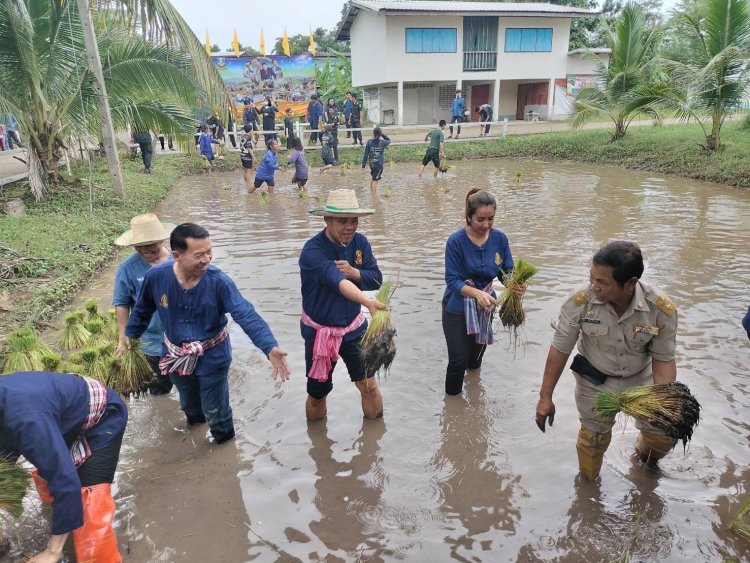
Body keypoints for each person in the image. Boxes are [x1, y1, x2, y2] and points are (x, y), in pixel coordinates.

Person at [125, 223, 291, 444]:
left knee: (216, 410)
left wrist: (269, 346)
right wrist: (129, 339)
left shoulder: (218, 281)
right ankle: (196, 436)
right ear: (177, 255)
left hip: (212, 356)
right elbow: (142, 310)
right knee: (190, 406)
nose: (207, 259)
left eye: (209, 252)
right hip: (175, 356)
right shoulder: (156, 276)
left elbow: (245, 314)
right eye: (199, 255)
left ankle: (225, 450)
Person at [535, 240, 679, 481]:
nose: (594, 286)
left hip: (641, 380)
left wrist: (661, 404)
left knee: (663, 435)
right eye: (592, 277)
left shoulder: (660, 309)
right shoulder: (580, 303)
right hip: (595, 379)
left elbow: (663, 361)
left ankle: (645, 460)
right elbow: (560, 350)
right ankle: (588, 489)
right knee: (593, 440)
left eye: (602, 282)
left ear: (630, 283)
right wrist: (545, 397)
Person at [0, 371, 128, 562]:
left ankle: (98, 556)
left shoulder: (27, 420)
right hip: (59, 415)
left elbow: (67, 483)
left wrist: (52, 552)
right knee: (49, 469)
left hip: (102, 415)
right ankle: (59, 517)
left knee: (89, 499)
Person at [300, 189, 388, 421]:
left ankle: (375, 445)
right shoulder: (313, 251)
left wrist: (355, 272)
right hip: (320, 331)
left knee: (368, 385)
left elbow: (376, 278)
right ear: (327, 219)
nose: (350, 226)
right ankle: (319, 449)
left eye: (354, 220)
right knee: (318, 394)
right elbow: (337, 281)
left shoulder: (360, 244)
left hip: (353, 326)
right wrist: (367, 300)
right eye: (342, 220)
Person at [442, 188, 516, 396]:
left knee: (475, 360)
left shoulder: (500, 239)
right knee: (458, 360)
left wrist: (513, 284)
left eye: (491, 219)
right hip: (457, 307)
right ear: (469, 217)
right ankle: (452, 409)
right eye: (480, 219)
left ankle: (474, 400)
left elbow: (506, 270)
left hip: (485, 306)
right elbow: (452, 281)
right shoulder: (455, 241)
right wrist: (475, 293)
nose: (486, 225)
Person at [113, 213, 175, 395]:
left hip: (184, 337)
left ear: (162, 240)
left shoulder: (179, 260)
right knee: (159, 388)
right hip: (152, 341)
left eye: (151, 246)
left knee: (192, 386)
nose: (147, 250)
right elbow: (121, 303)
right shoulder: (127, 269)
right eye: (140, 246)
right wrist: (122, 338)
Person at [361, 126, 391, 191]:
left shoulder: (369, 142)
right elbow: (389, 140)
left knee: (373, 178)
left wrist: (363, 164)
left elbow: (366, 154)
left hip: (371, 164)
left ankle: (371, 192)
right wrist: (382, 134)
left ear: (373, 133)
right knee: (375, 180)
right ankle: (374, 197)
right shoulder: (382, 142)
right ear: (380, 134)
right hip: (378, 164)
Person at [239, 124, 257, 193]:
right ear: (251, 130)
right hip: (247, 156)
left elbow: (241, 146)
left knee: (245, 170)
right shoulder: (248, 137)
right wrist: (253, 157)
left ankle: (246, 184)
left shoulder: (243, 136)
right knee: (248, 171)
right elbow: (249, 148)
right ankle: (249, 186)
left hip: (242, 155)